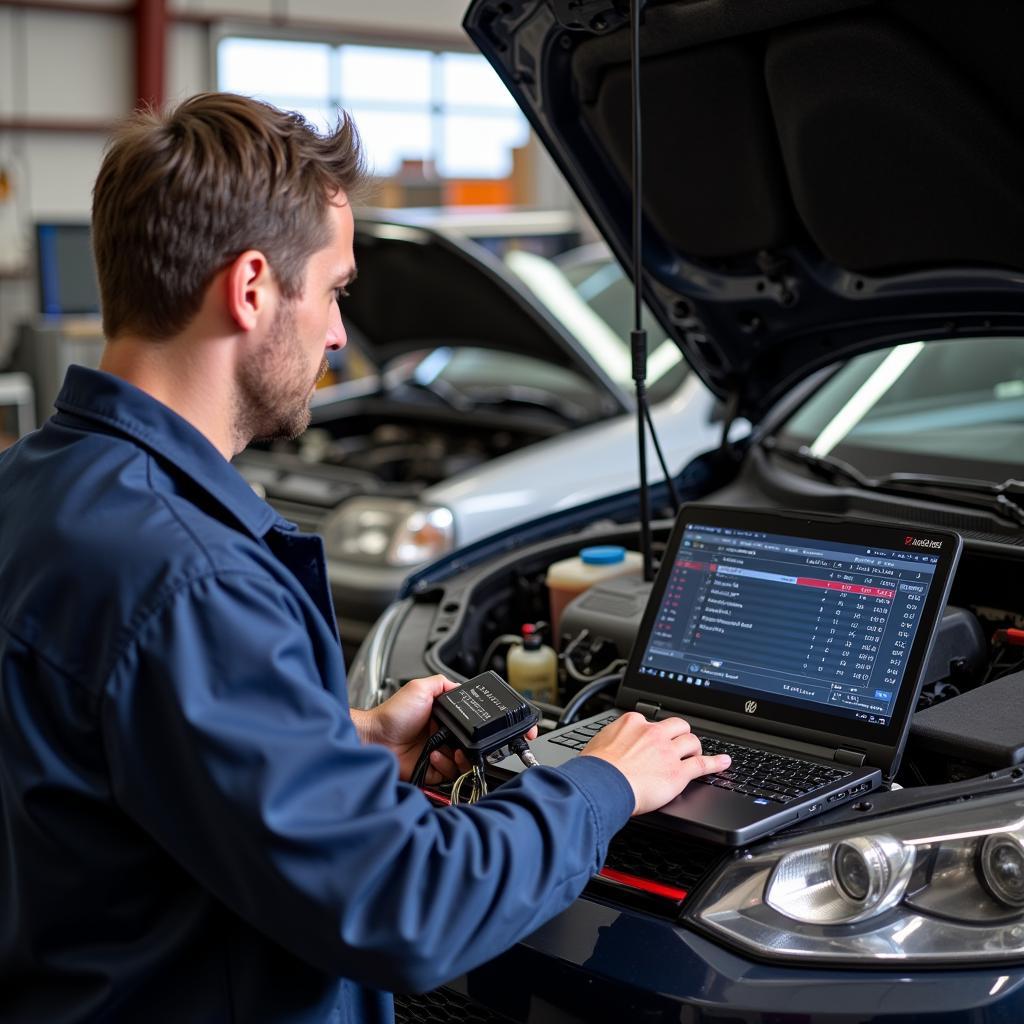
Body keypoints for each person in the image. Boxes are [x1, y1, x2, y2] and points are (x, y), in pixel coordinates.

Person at [0, 93, 729, 1023]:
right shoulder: (193, 579)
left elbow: (98, 759)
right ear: (253, 286)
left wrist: (340, 744)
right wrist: (604, 784)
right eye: (336, 290)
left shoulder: (30, 487)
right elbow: (404, 908)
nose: (341, 333)